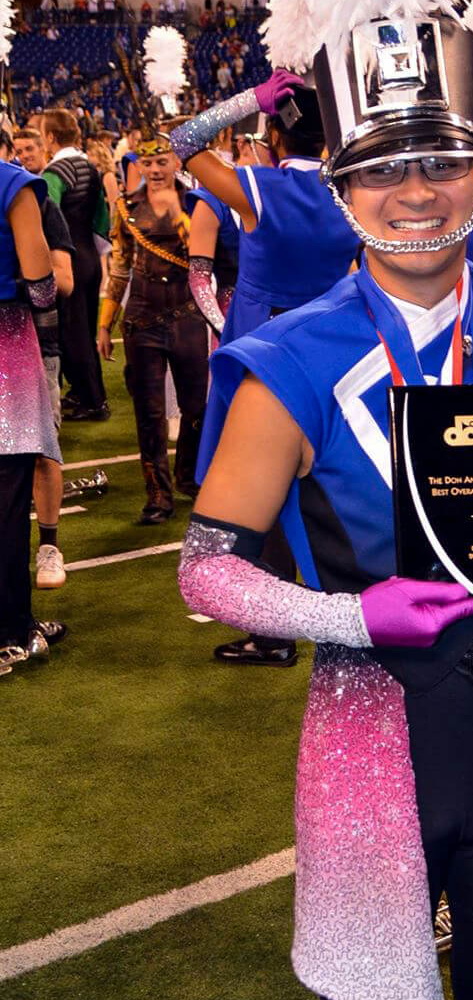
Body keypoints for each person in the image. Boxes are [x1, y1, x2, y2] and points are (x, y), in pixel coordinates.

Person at [179, 4, 473, 1000]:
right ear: (338, 188)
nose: (415, 193)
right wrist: (357, 619)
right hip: (371, 726)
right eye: (381, 167)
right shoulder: (293, 354)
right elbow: (207, 575)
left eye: (442, 162)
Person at [169, 76, 360, 667]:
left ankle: (274, 631)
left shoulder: (259, 187)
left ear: (274, 133)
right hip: (338, 344)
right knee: (330, 476)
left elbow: (183, 139)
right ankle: (343, 599)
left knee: (260, 487)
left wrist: (252, 96)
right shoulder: (349, 190)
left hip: (262, 345)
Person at [97, 137, 207, 524]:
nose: (156, 170)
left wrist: (177, 210)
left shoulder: (198, 203)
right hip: (141, 321)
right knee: (149, 413)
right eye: (149, 163)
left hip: (188, 315)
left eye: (163, 161)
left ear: (176, 160)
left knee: (196, 407)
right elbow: (121, 266)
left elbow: (204, 256)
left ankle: (188, 475)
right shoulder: (124, 208)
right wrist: (104, 322)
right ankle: (158, 494)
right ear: (139, 166)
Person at [0, 156, 65, 670]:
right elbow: (42, 283)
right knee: (6, 501)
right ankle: (12, 630)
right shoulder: (12, 182)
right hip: (5, 346)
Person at [42, 109, 110, 422]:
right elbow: (101, 218)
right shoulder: (89, 166)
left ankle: (91, 401)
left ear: (51, 138)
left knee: (72, 335)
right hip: (90, 259)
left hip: (68, 261)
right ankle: (90, 394)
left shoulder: (53, 175)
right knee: (84, 330)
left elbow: (48, 221)